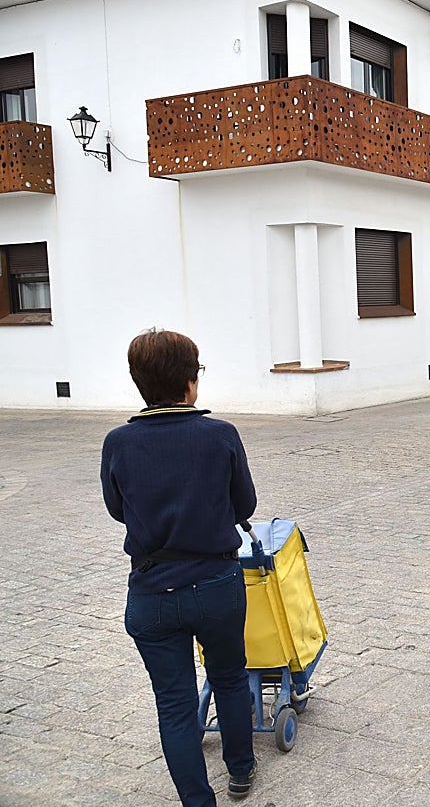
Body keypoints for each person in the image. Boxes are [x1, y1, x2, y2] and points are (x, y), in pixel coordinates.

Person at [100, 329, 258, 805]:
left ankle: (196, 799)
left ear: (138, 382)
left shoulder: (119, 442)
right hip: (215, 582)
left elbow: (115, 508)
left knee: (173, 703)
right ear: (191, 381)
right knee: (230, 677)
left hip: (152, 591)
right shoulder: (219, 435)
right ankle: (241, 772)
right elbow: (244, 504)